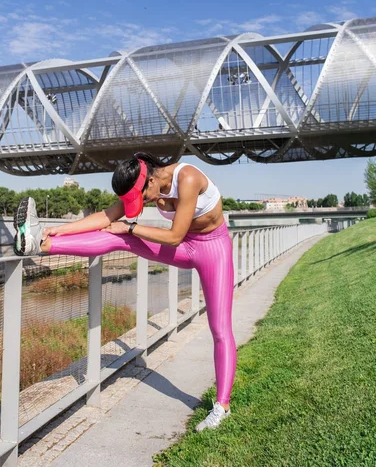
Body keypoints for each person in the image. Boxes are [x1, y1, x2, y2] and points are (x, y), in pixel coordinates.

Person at [13, 152, 237, 431]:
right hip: (184, 248)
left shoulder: (187, 177)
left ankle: (222, 406)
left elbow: (175, 236)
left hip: (213, 249)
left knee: (220, 328)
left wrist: (131, 227)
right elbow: (104, 217)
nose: (140, 204)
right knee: (115, 235)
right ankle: (39, 244)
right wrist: (58, 230)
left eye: (140, 197)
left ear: (151, 179)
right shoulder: (145, 183)